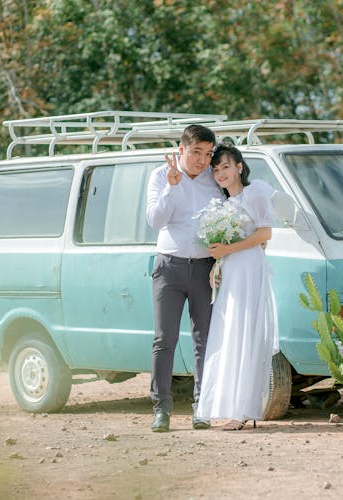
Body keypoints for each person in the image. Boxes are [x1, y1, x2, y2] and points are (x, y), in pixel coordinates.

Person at [194, 143, 279, 430]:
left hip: (249, 268)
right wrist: (217, 265)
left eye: (226, 167)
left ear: (239, 167)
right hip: (231, 271)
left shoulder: (255, 193)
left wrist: (229, 249)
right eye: (216, 170)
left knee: (244, 333)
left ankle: (243, 410)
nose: (221, 174)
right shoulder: (223, 205)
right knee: (228, 334)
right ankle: (228, 407)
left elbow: (265, 233)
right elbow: (225, 246)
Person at [145, 124, 223, 432]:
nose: (202, 161)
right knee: (165, 339)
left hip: (204, 269)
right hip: (170, 268)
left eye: (207, 154)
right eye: (196, 153)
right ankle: (160, 409)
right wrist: (172, 187)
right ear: (181, 150)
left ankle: (201, 407)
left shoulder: (213, 181)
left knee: (205, 339)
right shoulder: (159, 176)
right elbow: (155, 220)